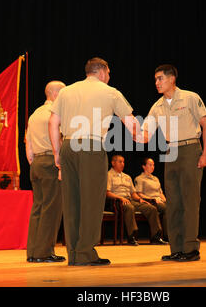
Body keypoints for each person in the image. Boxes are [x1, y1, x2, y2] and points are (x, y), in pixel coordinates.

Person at [49, 57, 141, 266]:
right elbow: (131, 123)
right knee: (91, 201)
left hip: (68, 146)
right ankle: (85, 254)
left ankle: (73, 253)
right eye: (108, 73)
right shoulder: (110, 92)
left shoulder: (66, 91)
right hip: (91, 145)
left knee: (72, 202)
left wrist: (57, 153)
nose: (109, 77)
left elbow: (53, 122)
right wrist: (141, 136)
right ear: (101, 72)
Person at [139, 64, 206, 262]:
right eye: (155, 79)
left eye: (160, 78)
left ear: (172, 79)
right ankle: (176, 249)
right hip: (170, 151)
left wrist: (205, 154)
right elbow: (145, 135)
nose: (156, 83)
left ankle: (191, 249)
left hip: (190, 149)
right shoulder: (157, 106)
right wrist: (132, 130)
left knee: (189, 201)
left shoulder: (190, 97)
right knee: (173, 203)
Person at [25, 80, 66, 263]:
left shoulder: (34, 114)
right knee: (52, 209)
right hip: (51, 161)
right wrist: (60, 165)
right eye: (63, 93)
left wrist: (33, 162)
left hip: (36, 163)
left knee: (38, 208)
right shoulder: (55, 114)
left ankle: (33, 252)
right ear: (56, 94)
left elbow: (28, 143)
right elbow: (61, 140)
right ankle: (44, 253)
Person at [106, 155, 167, 246]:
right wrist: (120, 198)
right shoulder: (109, 175)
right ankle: (132, 236)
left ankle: (156, 236)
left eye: (123, 162)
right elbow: (107, 192)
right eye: (120, 162)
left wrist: (140, 199)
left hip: (130, 199)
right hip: (117, 201)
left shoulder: (127, 177)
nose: (122, 164)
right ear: (113, 163)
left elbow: (133, 193)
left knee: (151, 208)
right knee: (129, 207)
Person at [134, 157, 168, 240]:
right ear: (144, 166)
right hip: (150, 201)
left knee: (172, 208)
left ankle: (171, 234)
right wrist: (152, 199)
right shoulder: (139, 178)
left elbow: (160, 193)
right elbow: (139, 194)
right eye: (150, 165)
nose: (152, 167)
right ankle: (167, 236)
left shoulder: (155, 178)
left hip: (159, 201)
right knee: (167, 209)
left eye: (153, 165)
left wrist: (165, 200)